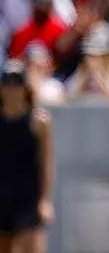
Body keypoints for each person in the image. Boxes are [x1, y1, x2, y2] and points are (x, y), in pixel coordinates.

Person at [0, 62, 54, 253]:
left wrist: (45, 200)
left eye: (18, 84)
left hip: (28, 197)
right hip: (2, 195)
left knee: (33, 247)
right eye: (8, 84)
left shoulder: (39, 121)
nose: (12, 90)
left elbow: (47, 162)